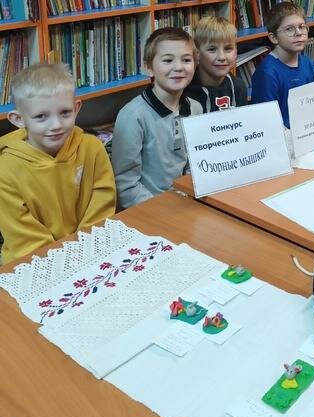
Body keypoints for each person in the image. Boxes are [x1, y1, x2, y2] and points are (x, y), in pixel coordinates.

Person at [0, 63, 116, 264]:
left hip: (90, 248)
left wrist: (85, 248)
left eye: (64, 113)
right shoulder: (6, 169)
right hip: (33, 260)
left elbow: (102, 200)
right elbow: (22, 235)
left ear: (76, 108)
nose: (56, 125)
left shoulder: (92, 148)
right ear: (19, 119)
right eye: (41, 116)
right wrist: (64, 260)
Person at [111, 27, 203, 209]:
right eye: (168, 60)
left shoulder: (196, 108)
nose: (179, 67)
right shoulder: (132, 116)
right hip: (149, 210)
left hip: (186, 204)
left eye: (186, 60)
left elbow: (193, 166)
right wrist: (162, 211)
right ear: (149, 68)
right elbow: (126, 186)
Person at [251, 1, 314, 127]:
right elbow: (265, 121)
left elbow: (312, 105)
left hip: (306, 130)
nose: (299, 33)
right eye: (289, 29)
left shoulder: (308, 64)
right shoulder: (267, 73)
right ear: (274, 38)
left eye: (302, 27)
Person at [186, 14, 247, 111]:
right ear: (197, 53)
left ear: (236, 52)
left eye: (228, 49)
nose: (221, 57)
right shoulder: (184, 91)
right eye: (212, 49)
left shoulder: (239, 87)